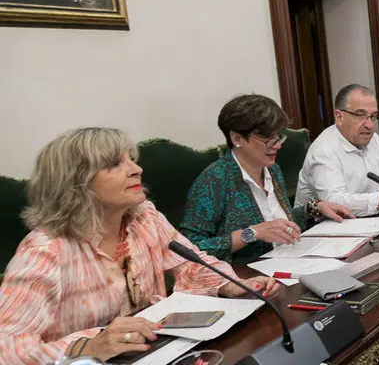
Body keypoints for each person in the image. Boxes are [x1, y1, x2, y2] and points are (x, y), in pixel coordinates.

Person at [0, 128, 280, 365]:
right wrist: (86, 346)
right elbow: (7, 347)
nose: (137, 169)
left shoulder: (144, 217)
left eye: (131, 160)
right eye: (114, 164)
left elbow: (190, 264)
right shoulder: (44, 252)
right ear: (75, 183)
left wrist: (229, 284)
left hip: (156, 352)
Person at [181, 94, 353, 265]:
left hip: (288, 262)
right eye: (267, 140)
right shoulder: (214, 180)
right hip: (245, 278)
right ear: (236, 138)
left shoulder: (272, 169)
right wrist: (251, 233)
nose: (277, 145)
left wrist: (314, 208)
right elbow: (190, 249)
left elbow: (275, 223)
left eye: (277, 137)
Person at [294, 84, 379, 217]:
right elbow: (335, 202)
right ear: (339, 117)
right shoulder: (323, 151)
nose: (369, 125)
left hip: (366, 221)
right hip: (323, 228)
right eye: (360, 115)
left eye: (373, 116)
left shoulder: (372, 139)